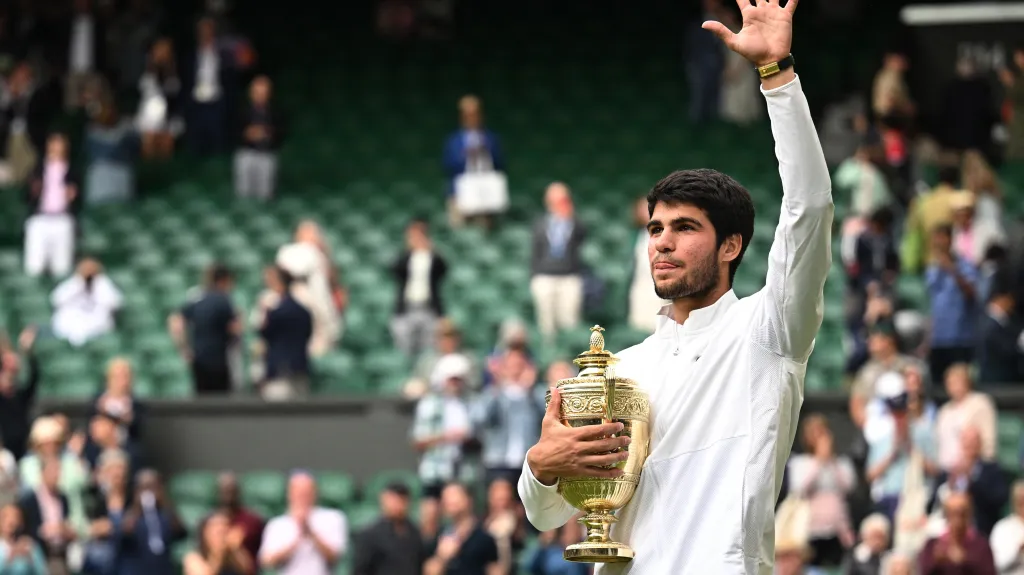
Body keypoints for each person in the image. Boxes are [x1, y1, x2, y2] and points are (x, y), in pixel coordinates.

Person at [519, 1, 833, 572]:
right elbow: (545, 514)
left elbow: (809, 208)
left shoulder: (767, 333)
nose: (662, 243)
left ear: (731, 246)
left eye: (685, 228)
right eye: (655, 229)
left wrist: (777, 77)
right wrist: (541, 466)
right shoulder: (621, 369)